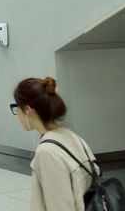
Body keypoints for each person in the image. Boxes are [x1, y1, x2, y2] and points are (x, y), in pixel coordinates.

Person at [13, 76, 98, 211]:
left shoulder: (47, 151)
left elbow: (60, 206)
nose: (17, 113)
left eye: (16, 107)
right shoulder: (72, 137)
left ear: (27, 109)